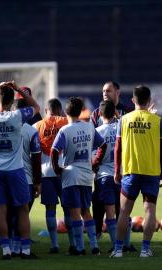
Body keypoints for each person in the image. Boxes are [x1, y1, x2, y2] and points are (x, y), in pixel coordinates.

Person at [0, 81, 40, 259]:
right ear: (12, 100)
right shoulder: (16, 116)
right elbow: (36, 107)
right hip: (16, 170)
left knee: (1, 209)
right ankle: (25, 250)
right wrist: (18, 89)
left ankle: (6, 250)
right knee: (22, 209)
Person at [110, 86, 162, 258]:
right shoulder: (157, 121)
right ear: (149, 100)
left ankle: (118, 250)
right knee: (150, 211)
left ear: (133, 100)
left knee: (124, 211)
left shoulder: (125, 120)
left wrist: (116, 170)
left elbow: (117, 148)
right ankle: (145, 249)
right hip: (151, 171)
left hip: (130, 170)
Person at [51, 97, 107, 256]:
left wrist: (57, 169)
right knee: (86, 211)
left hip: (71, 174)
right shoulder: (89, 126)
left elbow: (54, 150)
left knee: (75, 212)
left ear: (66, 112)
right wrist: (95, 163)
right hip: (86, 175)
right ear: (80, 110)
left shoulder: (65, 130)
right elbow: (102, 145)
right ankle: (95, 246)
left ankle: (80, 248)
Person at [90, 81, 135, 249]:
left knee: (116, 208)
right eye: (103, 91)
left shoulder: (129, 112)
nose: (105, 93)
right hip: (114, 173)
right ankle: (100, 233)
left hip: (108, 172)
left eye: (108, 90)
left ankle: (117, 244)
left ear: (117, 92)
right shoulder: (97, 114)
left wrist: (93, 164)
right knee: (104, 204)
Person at [33, 98, 72, 254]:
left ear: (46, 111)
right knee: (68, 208)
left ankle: (54, 244)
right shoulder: (66, 123)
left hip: (46, 172)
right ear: (60, 110)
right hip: (64, 171)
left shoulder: (37, 126)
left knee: (50, 209)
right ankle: (73, 242)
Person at [9, 97, 42, 256]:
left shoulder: (5, 128)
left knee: (11, 214)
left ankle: (12, 248)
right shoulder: (31, 131)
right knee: (23, 215)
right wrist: (37, 182)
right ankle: (24, 250)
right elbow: (36, 159)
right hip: (26, 179)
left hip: (8, 176)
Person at [93, 100, 120, 250]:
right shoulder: (121, 128)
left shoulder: (98, 131)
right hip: (122, 175)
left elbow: (94, 156)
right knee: (123, 211)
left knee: (109, 212)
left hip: (105, 176)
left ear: (100, 114)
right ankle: (125, 243)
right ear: (114, 112)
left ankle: (116, 245)